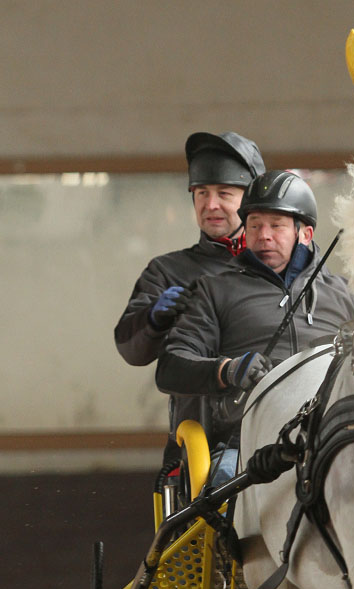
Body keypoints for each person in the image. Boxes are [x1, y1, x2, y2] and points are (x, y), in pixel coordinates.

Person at [156, 170, 354, 484]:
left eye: (276, 226)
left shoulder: (346, 294)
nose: (264, 236)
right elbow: (169, 368)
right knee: (224, 492)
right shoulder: (213, 290)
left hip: (333, 440)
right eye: (254, 225)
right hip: (244, 445)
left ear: (305, 234)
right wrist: (227, 370)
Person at [114, 130, 265, 459]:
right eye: (200, 193)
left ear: (250, 199)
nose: (211, 205)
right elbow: (130, 349)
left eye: (224, 193)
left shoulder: (276, 268)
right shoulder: (167, 271)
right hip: (205, 444)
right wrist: (153, 317)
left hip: (277, 431)